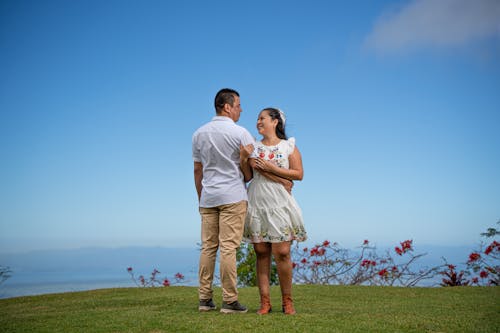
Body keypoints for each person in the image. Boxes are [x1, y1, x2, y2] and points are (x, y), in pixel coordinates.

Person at [192, 88, 255, 314]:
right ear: (227, 107)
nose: (241, 109)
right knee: (228, 248)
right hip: (233, 195)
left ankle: (204, 299)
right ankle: (229, 301)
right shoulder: (241, 134)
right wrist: (244, 158)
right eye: (238, 105)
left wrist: (201, 196)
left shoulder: (198, 134)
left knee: (208, 248)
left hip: (208, 197)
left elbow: (197, 170)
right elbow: (249, 175)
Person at [241, 107, 307, 315]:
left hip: (280, 203)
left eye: (262, 118)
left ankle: (288, 301)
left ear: (275, 121)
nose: (258, 122)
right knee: (261, 252)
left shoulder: (289, 147)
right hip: (258, 200)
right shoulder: (253, 146)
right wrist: (244, 160)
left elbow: (298, 174)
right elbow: (250, 174)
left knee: (283, 252)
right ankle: (265, 302)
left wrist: (273, 169)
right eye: (257, 119)